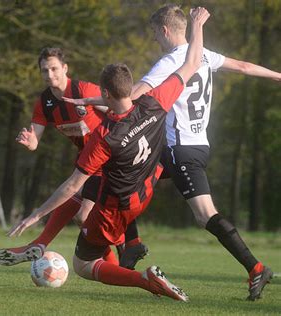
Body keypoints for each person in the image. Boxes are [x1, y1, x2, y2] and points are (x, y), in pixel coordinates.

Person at [64, 4, 279, 301]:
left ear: (165, 31)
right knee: (122, 176)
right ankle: (133, 244)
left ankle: (256, 268)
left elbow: (133, 94)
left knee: (205, 215)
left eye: (154, 33)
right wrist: (278, 76)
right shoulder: (203, 53)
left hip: (180, 150)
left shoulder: (171, 61)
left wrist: (91, 99)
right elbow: (244, 67)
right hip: (195, 145)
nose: (154, 39)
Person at [2, 6, 211, 302]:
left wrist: (36, 214)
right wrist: (197, 25)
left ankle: (145, 279)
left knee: (83, 265)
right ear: (131, 88)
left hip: (116, 206)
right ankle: (129, 249)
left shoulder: (104, 138)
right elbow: (191, 63)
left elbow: (72, 185)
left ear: (105, 94)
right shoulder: (153, 103)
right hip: (146, 192)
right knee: (86, 222)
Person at [0, 47, 147, 268]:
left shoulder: (83, 89)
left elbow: (120, 107)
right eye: (44, 70)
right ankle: (117, 258)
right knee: (80, 213)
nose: (50, 75)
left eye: (54, 69)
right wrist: (29, 141)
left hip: (108, 160)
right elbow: (35, 140)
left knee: (84, 214)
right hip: (88, 162)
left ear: (65, 68)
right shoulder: (44, 103)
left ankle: (121, 250)